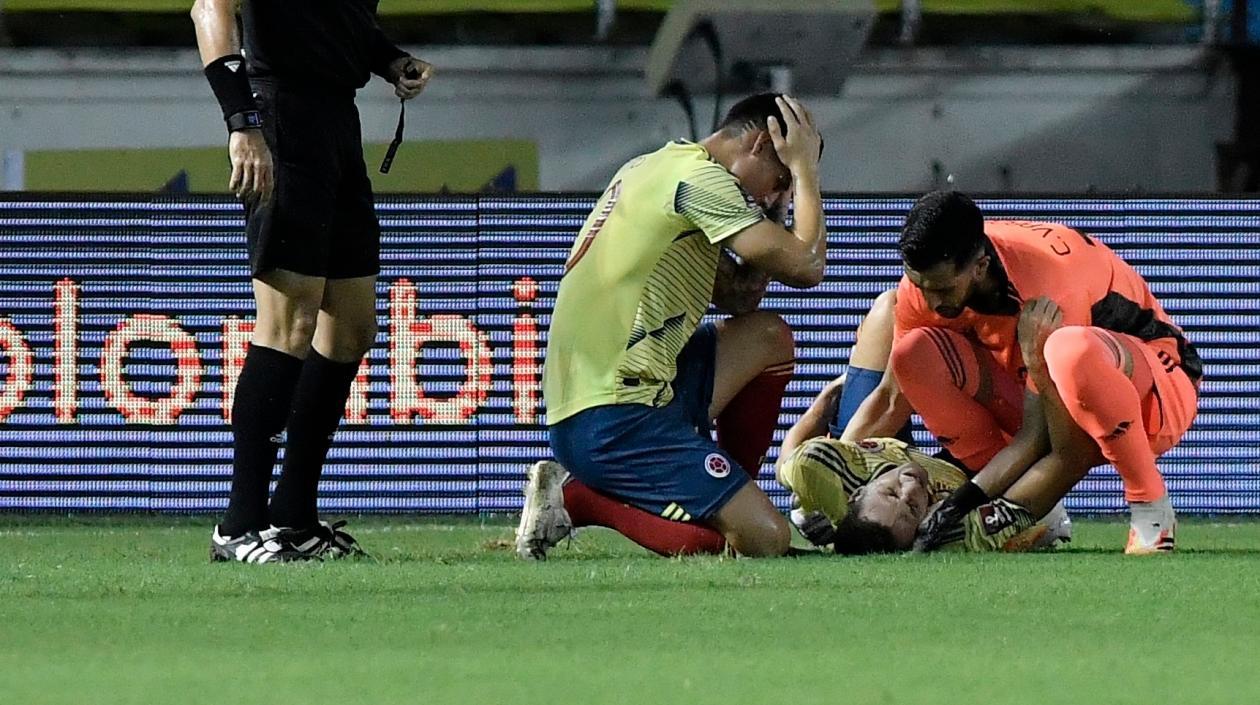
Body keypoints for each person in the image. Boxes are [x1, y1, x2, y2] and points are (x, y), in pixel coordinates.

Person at [515, 93, 826, 559]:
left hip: (616, 396)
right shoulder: (698, 181)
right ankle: (576, 498)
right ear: (760, 144)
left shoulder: (657, 166)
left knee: (768, 338)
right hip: (611, 416)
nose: (774, 196)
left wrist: (778, 203)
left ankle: (724, 496)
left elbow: (740, 295)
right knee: (766, 539)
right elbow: (807, 266)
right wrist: (805, 171)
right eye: (778, 181)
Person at [192, 0, 434, 563]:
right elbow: (210, 9)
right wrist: (242, 123)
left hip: (336, 121)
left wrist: (389, 60)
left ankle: (293, 517)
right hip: (279, 115)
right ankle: (239, 524)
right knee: (290, 321)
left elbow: (338, 24)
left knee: (352, 325)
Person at [873, 191, 1201, 554]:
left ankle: (1150, 507)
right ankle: (1039, 518)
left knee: (1068, 350)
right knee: (911, 357)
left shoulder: (1050, 284)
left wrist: (964, 506)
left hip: (1155, 393)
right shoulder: (930, 280)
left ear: (980, 268)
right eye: (921, 287)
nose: (931, 302)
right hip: (1048, 398)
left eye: (944, 289)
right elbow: (890, 398)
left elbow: (1057, 446)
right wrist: (830, 482)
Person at [776, 436, 1059, 553]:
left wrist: (820, 510)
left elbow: (797, 458)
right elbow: (1054, 460)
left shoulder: (838, 471)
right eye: (913, 507)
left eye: (890, 492)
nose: (911, 486)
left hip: (882, 435)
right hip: (992, 452)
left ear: (857, 492)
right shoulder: (957, 530)